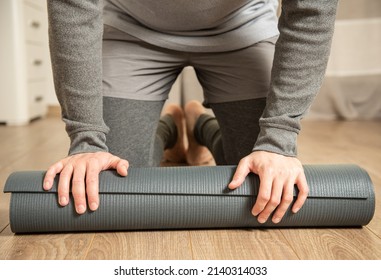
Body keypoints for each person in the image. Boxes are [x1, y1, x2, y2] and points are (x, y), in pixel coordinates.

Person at [43, 0, 338, 224]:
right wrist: (87, 139)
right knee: (112, 180)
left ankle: (199, 124)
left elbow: (311, 11)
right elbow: (73, 6)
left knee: (261, 181)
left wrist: (278, 140)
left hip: (241, 26)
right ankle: (170, 127)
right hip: (130, 25)